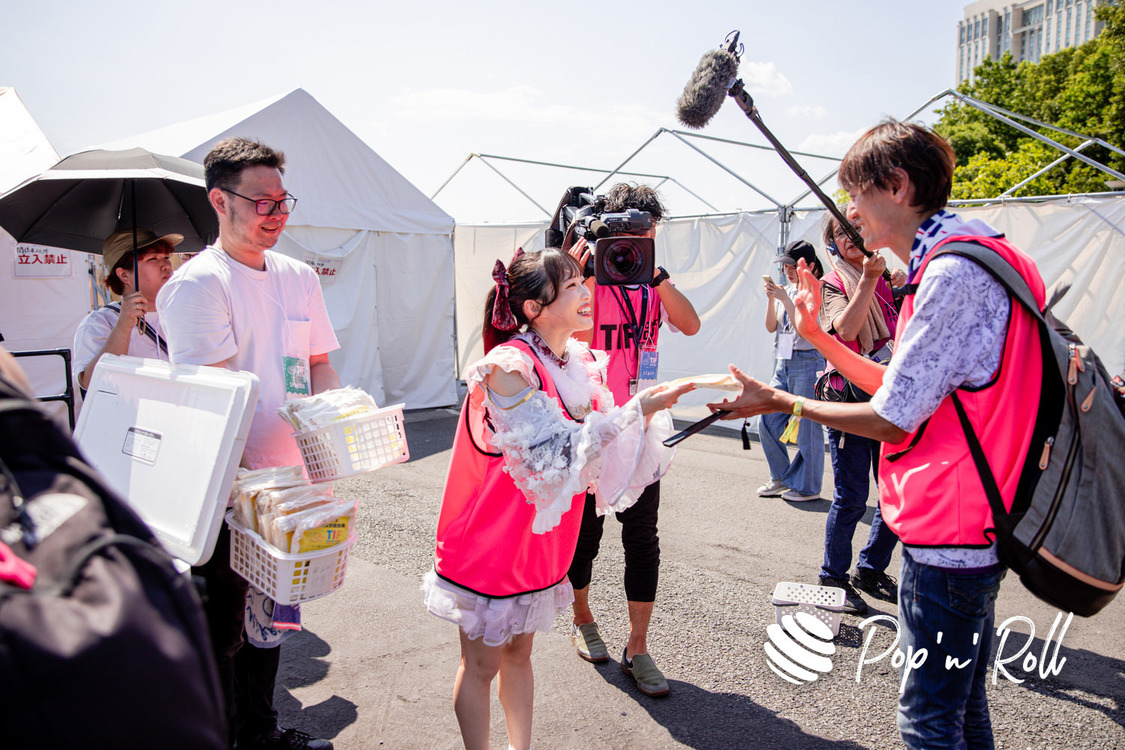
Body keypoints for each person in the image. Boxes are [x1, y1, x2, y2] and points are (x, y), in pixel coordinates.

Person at [709, 119, 1045, 749]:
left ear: (897, 186)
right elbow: (900, 386)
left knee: (928, 722)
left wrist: (783, 401)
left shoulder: (950, 274)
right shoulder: (981, 250)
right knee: (964, 710)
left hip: (951, 529)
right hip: (981, 517)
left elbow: (893, 417)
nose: (851, 212)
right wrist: (816, 336)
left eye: (856, 194)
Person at [424, 248, 691, 750]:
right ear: (534, 308)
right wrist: (636, 409)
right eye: (571, 286)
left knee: (520, 656)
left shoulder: (579, 361)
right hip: (491, 540)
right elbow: (553, 455)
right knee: (481, 665)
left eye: (581, 281)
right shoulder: (508, 366)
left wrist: (649, 415)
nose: (586, 293)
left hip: (539, 541)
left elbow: (602, 450)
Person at [157, 137, 339, 750]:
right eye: (262, 202)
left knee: (274, 619)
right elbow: (215, 405)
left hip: (291, 488)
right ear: (220, 201)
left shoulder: (299, 277)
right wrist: (251, 491)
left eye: (283, 200)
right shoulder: (198, 285)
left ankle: (260, 733)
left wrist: (333, 427)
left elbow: (318, 366)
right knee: (223, 630)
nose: (277, 213)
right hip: (228, 492)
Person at [562, 183, 700, 697]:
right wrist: (580, 275)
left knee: (642, 538)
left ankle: (637, 646)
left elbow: (690, 324)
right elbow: (566, 339)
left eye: (645, 233)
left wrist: (657, 277)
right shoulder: (587, 281)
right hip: (592, 426)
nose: (634, 243)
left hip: (642, 426)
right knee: (586, 536)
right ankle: (582, 616)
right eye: (624, 233)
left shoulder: (651, 282)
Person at [814, 211, 902, 614]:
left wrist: (900, 287)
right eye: (841, 232)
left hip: (891, 400)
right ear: (832, 243)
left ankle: (871, 569)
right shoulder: (832, 283)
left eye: (857, 229)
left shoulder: (891, 283)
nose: (850, 237)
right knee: (851, 497)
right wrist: (868, 279)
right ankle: (832, 578)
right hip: (849, 402)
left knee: (895, 494)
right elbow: (846, 331)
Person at [756, 240, 825, 503]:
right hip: (783, 362)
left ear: (810, 266)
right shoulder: (787, 291)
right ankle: (782, 477)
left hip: (808, 361)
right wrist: (772, 300)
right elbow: (770, 327)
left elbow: (805, 328)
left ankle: (808, 486)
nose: (787, 271)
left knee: (807, 426)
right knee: (767, 418)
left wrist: (785, 298)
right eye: (785, 266)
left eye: (792, 266)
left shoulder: (817, 290)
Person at [73, 228, 179, 392]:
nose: (166, 265)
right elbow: (90, 382)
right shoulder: (101, 322)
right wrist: (123, 327)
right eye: (152, 259)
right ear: (123, 275)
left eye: (166, 257)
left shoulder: (181, 313)